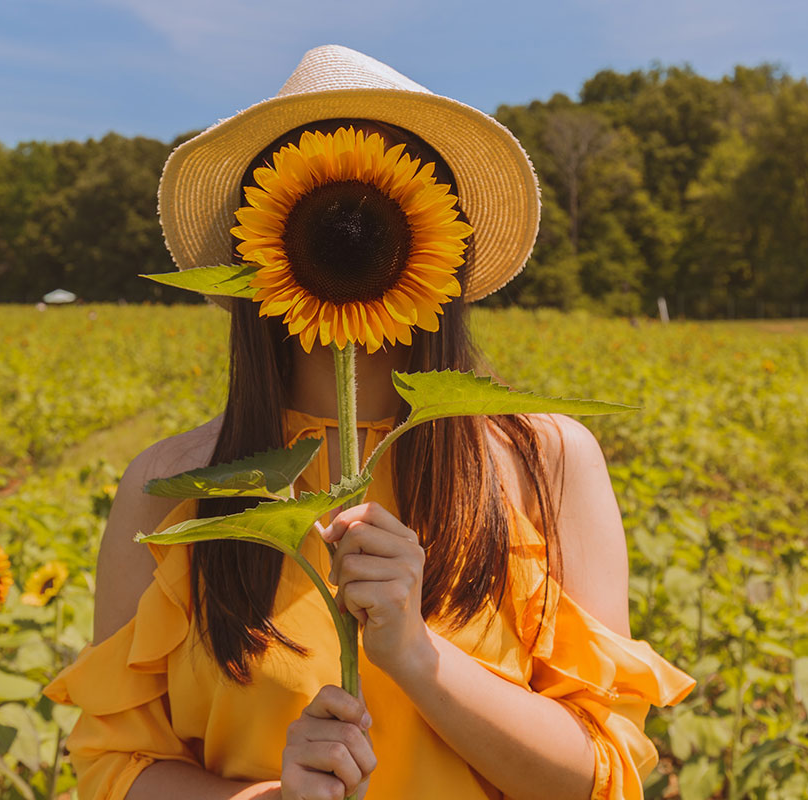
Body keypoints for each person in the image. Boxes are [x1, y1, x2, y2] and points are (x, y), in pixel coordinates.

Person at [45, 45, 695, 800]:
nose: (349, 227)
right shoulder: (173, 490)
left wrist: (418, 658)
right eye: (325, 207)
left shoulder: (543, 461)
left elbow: (600, 774)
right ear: (261, 249)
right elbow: (113, 769)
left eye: (374, 204)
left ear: (437, 241)